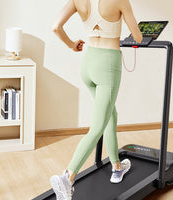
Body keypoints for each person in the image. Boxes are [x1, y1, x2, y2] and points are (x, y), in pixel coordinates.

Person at [50, 0, 142, 199]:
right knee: (98, 126)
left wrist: (71, 45)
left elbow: (55, 27)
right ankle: (68, 176)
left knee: (110, 115)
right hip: (108, 64)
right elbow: (138, 36)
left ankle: (117, 167)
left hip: (88, 63)